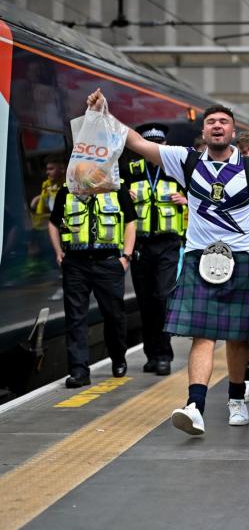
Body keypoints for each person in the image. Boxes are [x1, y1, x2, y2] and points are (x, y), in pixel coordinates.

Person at [100, 88, 249, 435]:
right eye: (211, 122)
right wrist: (103, 112)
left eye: (223, 123)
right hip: (200, 258)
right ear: (203, 132)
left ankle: (235, 399)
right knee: (202, 335)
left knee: (237, 337)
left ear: (233, 132)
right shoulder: (184, 159)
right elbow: (138, 143)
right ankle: (194, 406)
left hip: (241, 258)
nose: (217, 126)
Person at [48, 153, 137, 388]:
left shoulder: (116, 190)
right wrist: (59, 252)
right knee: (75, 318)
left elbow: (130, 221)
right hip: (76, 263)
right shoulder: (67, 192)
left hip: (108, 262)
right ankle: (79, 371)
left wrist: (126, 256)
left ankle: (118, 357)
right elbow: (53, 222)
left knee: (114, 315)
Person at [120, 123, 188, 377]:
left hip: (168, 243)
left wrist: (187, 199)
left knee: (161, 296)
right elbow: (118, 203)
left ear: (165, 146)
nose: (156, 149)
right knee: (146, 300)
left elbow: (204, 197)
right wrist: (124, 196)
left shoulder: (177, 171)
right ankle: (151, 354)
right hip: (139, 245)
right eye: (151, 145)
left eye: (160, 144)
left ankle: (164, 356)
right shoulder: (131, 171)